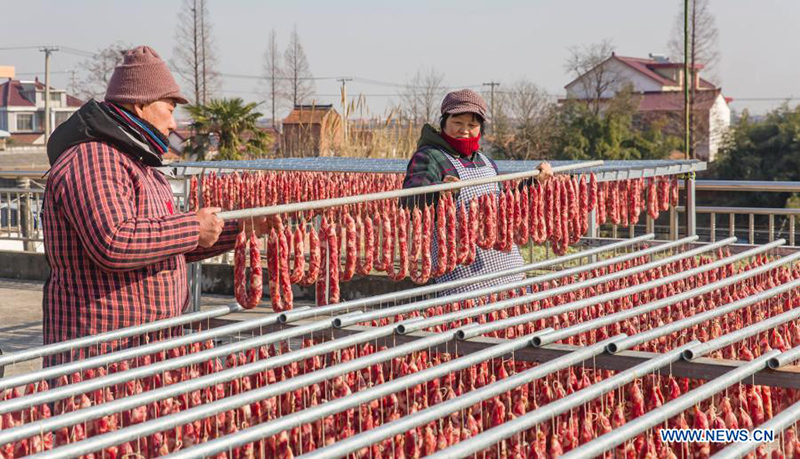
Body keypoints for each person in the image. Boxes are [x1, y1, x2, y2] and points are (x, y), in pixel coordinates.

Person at [42, 46, 267, 366]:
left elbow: (167, 245)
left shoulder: (140, 165)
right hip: (102, 356)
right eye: (170, 107)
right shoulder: (93, 158)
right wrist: (192, 226)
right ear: (141, 104)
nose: (174, 123)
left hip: (145, 349)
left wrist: (243, 229)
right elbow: (114, 241)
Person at [402, 89, 553, 294]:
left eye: (472, 125)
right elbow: (410, 202)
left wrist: (533, 183)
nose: (464, 130)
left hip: (509, 271)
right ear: (444, 122)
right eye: (458, 123)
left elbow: (503, 206)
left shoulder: (484, 160)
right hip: (460, 279)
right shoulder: (430, 156)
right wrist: (440, 192)